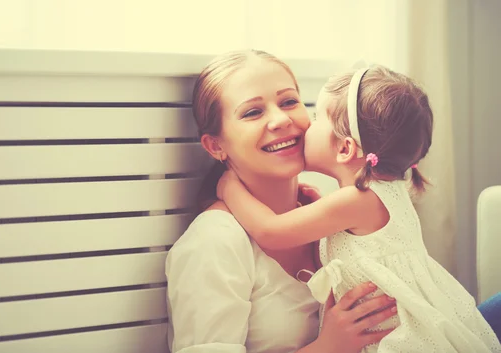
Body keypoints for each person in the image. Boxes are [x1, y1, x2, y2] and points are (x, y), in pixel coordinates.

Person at [217, 65, 501, 352]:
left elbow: (270, 232)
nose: (307, 127)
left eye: (317, 118)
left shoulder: (357, 199)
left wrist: (228, 187)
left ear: (345, 149)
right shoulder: (379, 193)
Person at [165, 50, 398, 353]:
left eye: (289, 102)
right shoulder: (216, 242)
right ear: (215, 145)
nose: (280, 119)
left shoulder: (330, 221)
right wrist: (327, 347)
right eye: (252, 112)